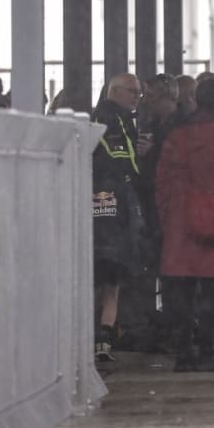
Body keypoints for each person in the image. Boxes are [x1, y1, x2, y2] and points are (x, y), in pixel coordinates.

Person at [157, 78, 214, 371]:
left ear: (196, 100)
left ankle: (184, 351)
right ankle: (207, 348)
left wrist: (167, 217)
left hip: (180, 222)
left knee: (180, 289)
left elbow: (161, 182)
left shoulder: (178, 136)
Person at [118, 73, 181, 352]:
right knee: (158, 270)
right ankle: (160, 326)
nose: (145, 101)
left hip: (165, 211)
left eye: (150, 95)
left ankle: (163, 327)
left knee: (165, 272)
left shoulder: (174, 129)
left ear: (167, 95)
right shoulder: (161, 126)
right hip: (159, 211)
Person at [91, 73, 144, 362]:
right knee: (108, 272)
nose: (136, 97)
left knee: (106, 276)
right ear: (113, 91)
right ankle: (102, 338)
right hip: (110, 204)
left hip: (109, 204)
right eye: (131, 91)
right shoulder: (109, 117)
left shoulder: (118, 117)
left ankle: (102, 338)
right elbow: (120, 158)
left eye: (139, 93)